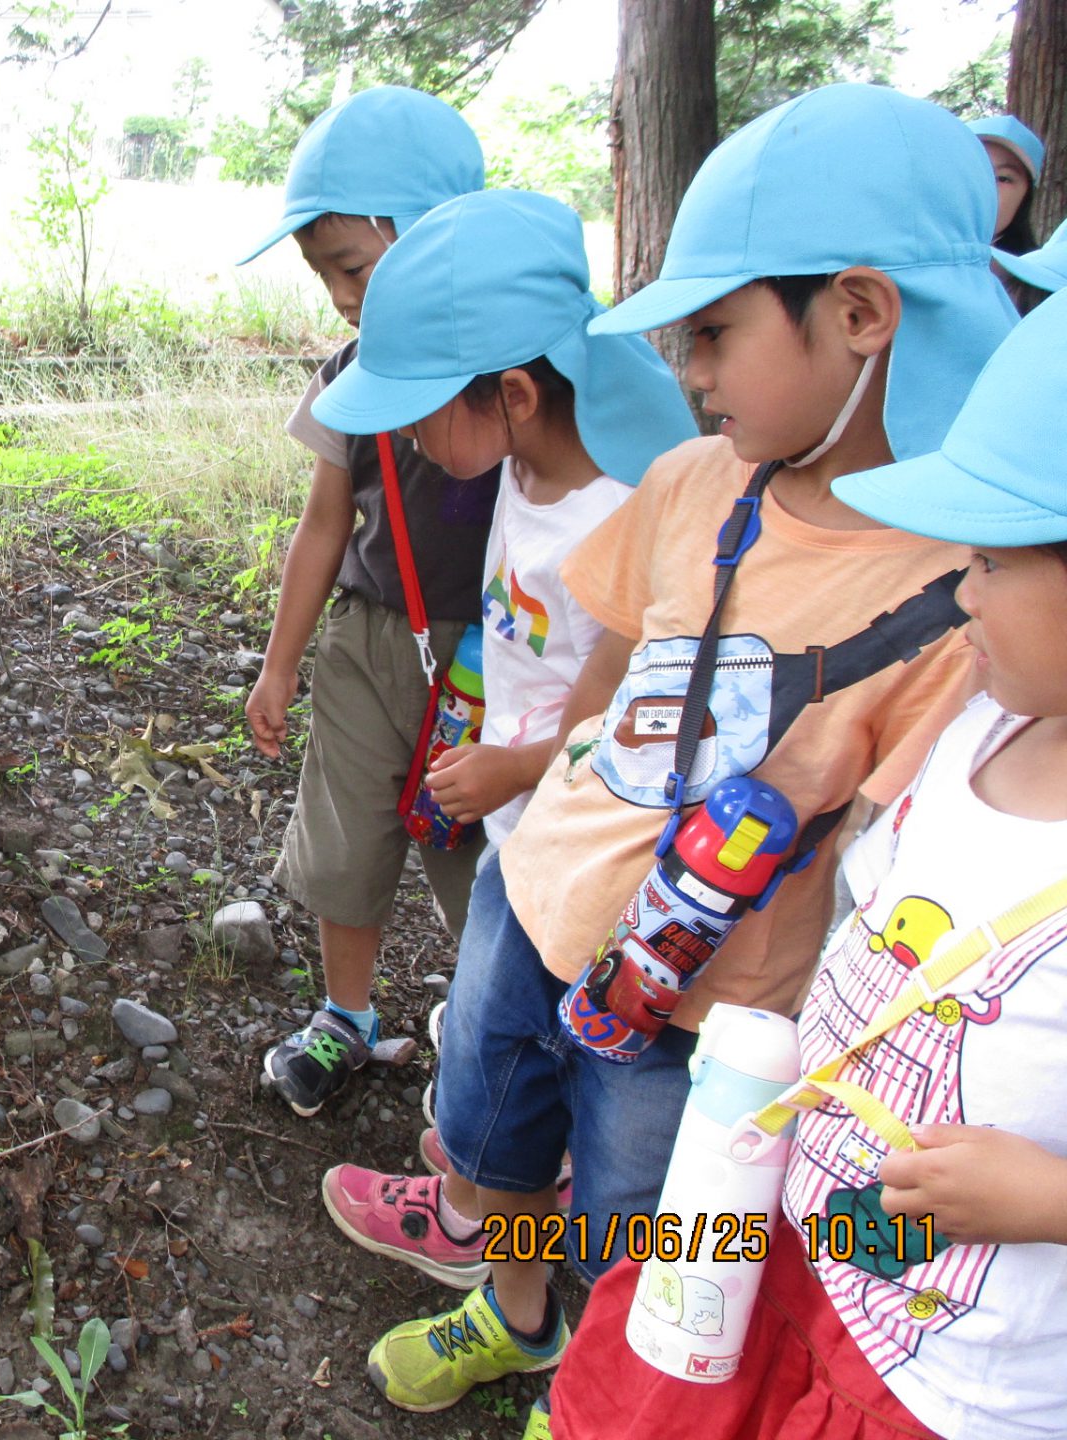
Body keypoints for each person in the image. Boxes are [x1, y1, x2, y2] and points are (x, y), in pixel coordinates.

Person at [348, 84, 1013, 1420]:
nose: (688, 372)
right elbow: (616, 667)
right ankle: (513, 1307)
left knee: (644, 1230)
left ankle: (601, 1389)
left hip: (699, 1008)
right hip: (538, 902)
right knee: (501, 1143)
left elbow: (885, 865)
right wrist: (545, 786)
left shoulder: (965, 598)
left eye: (714, 333)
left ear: (862, 314)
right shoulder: (693, 484)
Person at [545, 288, 1067, 1440]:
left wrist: (1051, 1199)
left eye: (991, 561)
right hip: (779, 1227)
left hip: (939, 1376)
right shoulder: (985, 728)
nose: (962, 590)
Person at [304, 187, 697, 1286]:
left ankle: (488, 1231)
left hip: (580, 849)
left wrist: (516, 767)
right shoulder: (522, 471)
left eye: (420, 411)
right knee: (494, 1063)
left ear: (515, 393)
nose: (405, 436)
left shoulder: (616, 515)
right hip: (522, 836)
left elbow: (624, 714)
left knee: (541, 1068)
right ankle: (503, 1252)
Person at [236, 86, 499, 1118]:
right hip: (364, 644)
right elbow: (323, 524)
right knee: (344, 839)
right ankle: (345, 1017)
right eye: (326, 277)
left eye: (351, 267)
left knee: (478, 857)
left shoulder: (516, 371)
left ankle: (490, 1034)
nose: (341, 297)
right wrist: (279, 664)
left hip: (493, 658)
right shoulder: (349, 375)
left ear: (428, 232)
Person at [966, 114, 1045, 254]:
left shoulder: (1038, 267)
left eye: (1002, 178)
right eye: (974, 170)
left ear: (1025, 196)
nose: (985, 186)